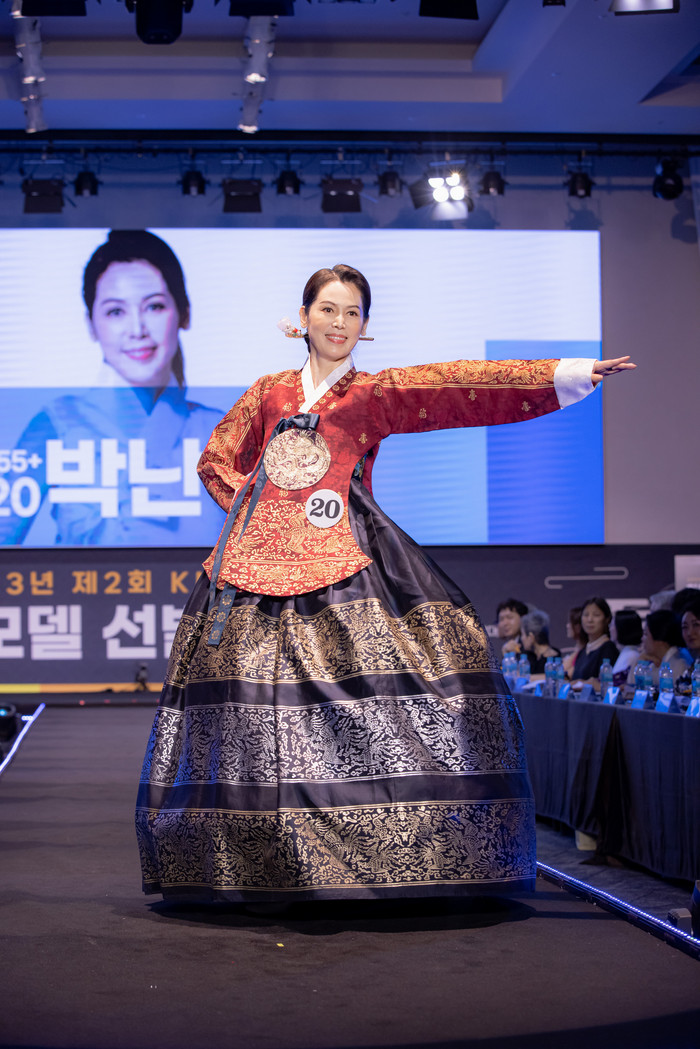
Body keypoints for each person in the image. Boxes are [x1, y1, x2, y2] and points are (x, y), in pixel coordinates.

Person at [135, 262, 635, 904]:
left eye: (352, 313)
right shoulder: (268, 393)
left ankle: (380, 852)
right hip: (254, 572)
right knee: (243, 715)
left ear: (364, 326)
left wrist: (566, 373)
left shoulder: (371, 395)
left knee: (384, 697)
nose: (339, 323)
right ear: (303, 318)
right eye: (328, 309)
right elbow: (215, 459)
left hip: (345, 561)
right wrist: (259, 509)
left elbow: (458, 386)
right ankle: (248, 858)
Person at [0, 230, 224, 546]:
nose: (137, 330)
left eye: (154, 306)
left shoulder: (221, 429)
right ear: (91, 324)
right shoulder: (58, 422)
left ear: (184, 312)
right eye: (115, 312)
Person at [571, 597, 619, 684]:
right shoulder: (582, 651)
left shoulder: (608, 649)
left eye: (596, 615)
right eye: (586, 615)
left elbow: (606, 685)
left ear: (607, 619)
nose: (590, 620)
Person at [640, 610, 690, 687]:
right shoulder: (656, 663)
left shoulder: (679, 664)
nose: (642, 639)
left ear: (659, 637)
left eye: (646, 634)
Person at [519, 609, 560, 675]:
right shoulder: (531, 657)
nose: (522, 638)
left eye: (522, 634)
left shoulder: (552, 660)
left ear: (531, 637)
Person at [610, 609, 643, 685]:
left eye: (612, 625)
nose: (610, 628)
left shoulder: (631, 655)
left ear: (622, 628)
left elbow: (620, 684)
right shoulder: (626, 653)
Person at [562, 605, 586, 678]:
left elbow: (562, 675)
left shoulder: (584, 653)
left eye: (570, 622)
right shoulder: (577, 651)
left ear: (578, 627)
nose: (567, 626)